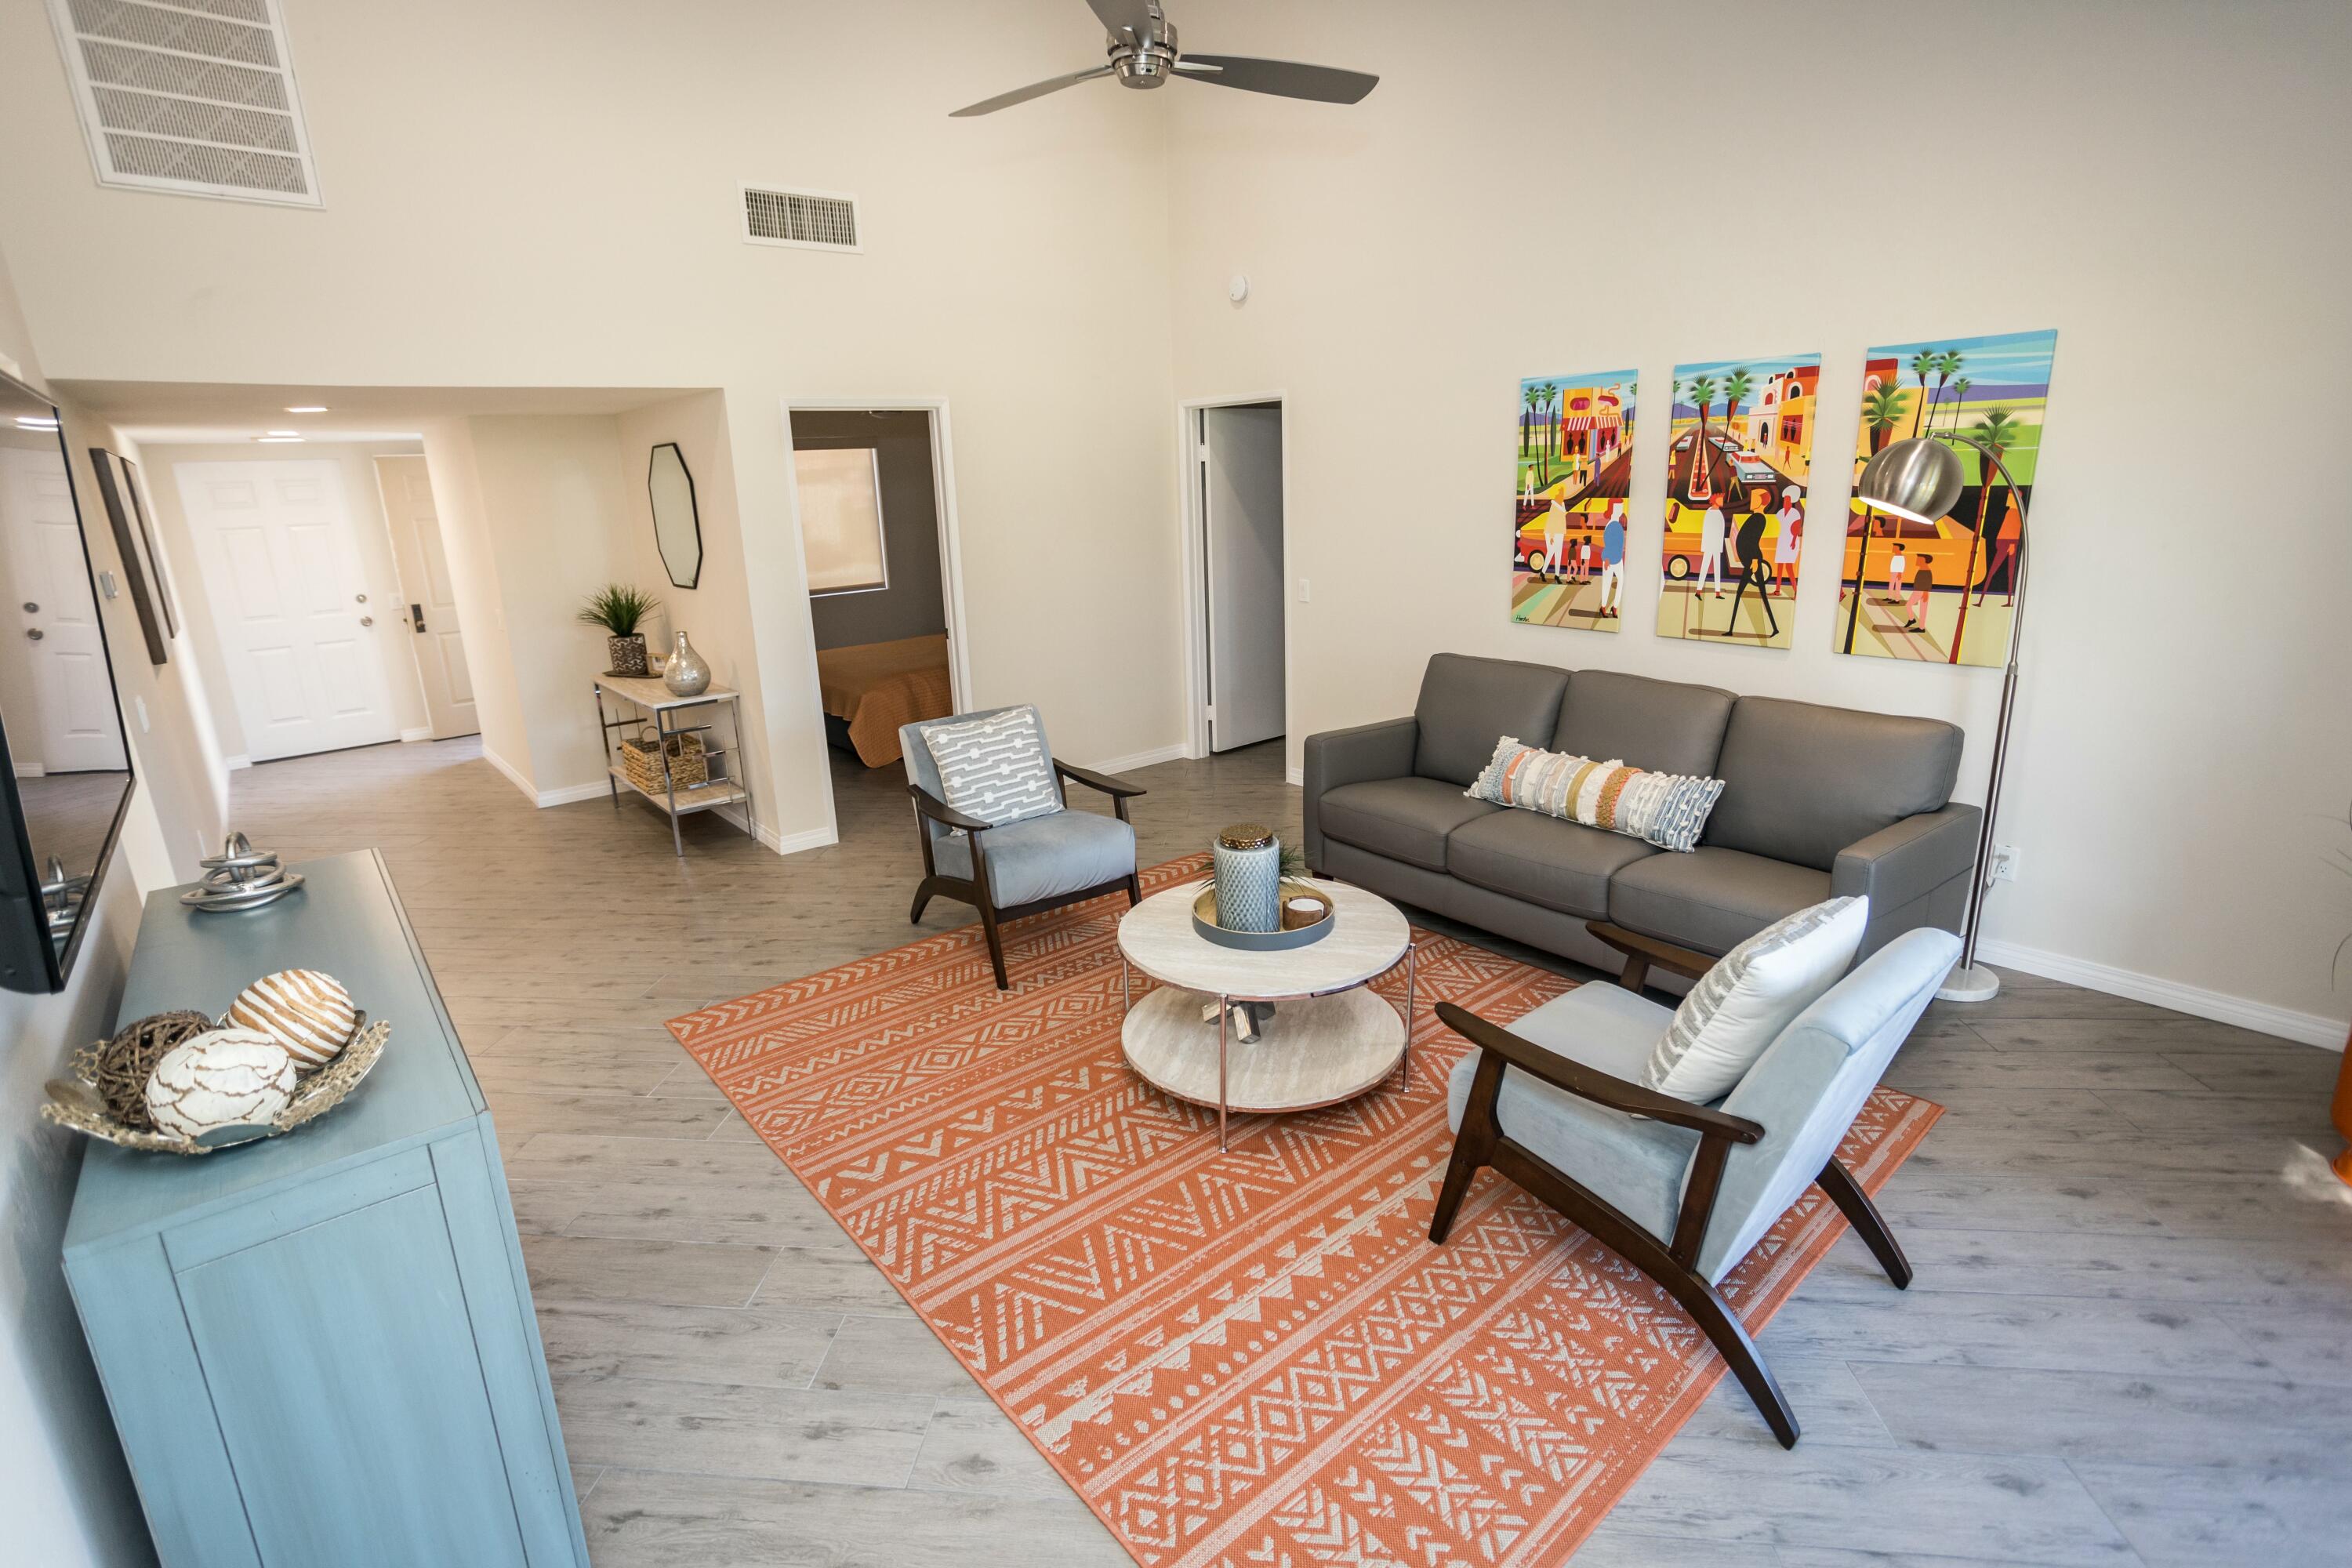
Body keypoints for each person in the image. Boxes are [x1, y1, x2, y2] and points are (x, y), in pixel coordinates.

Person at [1773, 485, 1803, 596]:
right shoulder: (1780, 513)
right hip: (1781, 541)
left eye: (1788, 499)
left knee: (1789, 566)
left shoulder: (1795, 513)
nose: (1786, 501)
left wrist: (1793, 541)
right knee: (1780, 565)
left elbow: (1796, 529)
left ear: (1791, 501)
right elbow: (1775, 525)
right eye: (1785, 499)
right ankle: (1777, 590)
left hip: (1791, 542)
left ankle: (1796, 591)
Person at [1599, 501, 1626, 619]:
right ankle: (1603, 606)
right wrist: (1606, 559)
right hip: (1609, 560)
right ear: (1613, 509)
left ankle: (1615, 607)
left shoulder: (1618, 524)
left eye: (1621, 506)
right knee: (1606, 583)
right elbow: (1608, 543)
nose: (1621, 509)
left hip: (1618, 559)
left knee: (1621, 581)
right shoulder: (1611, 525)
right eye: (1618, 507)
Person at [1697, 500, 1727, 597]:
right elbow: (1706, 530)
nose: (1722, 501)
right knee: (1705, 567)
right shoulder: (1710, 513)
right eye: (1720, 499)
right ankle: (1699, 590)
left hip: (1716, 546)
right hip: (1710, 545)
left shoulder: (1718, 513)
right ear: (1715, 501)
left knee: (1717, 569)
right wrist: (1705, 546)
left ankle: (1717, 592)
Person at [1541, 497, 1569, 584]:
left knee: (1558, 554)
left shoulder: (1562, 504)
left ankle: (1556, 576)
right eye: (1561, 492)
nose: (1562, 494)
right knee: (1551, 553)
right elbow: (1551, 520)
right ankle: (1543, 572)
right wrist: (1552, 536)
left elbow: (1563, 516)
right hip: (1552, 533)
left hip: (1560, 532)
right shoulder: (1554, 505)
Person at [1904, 561, 1934, 633]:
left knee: (1910, 606)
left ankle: (1914, 622)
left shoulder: (1926, 571)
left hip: (1921, 591)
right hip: (1919, 591)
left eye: (1919, 559)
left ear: (1923, 561)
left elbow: (1928, 582)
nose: (1917, 560)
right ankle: (1920, 626)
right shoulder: (1922, 569)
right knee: (1922, 609)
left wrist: (1926, 592)